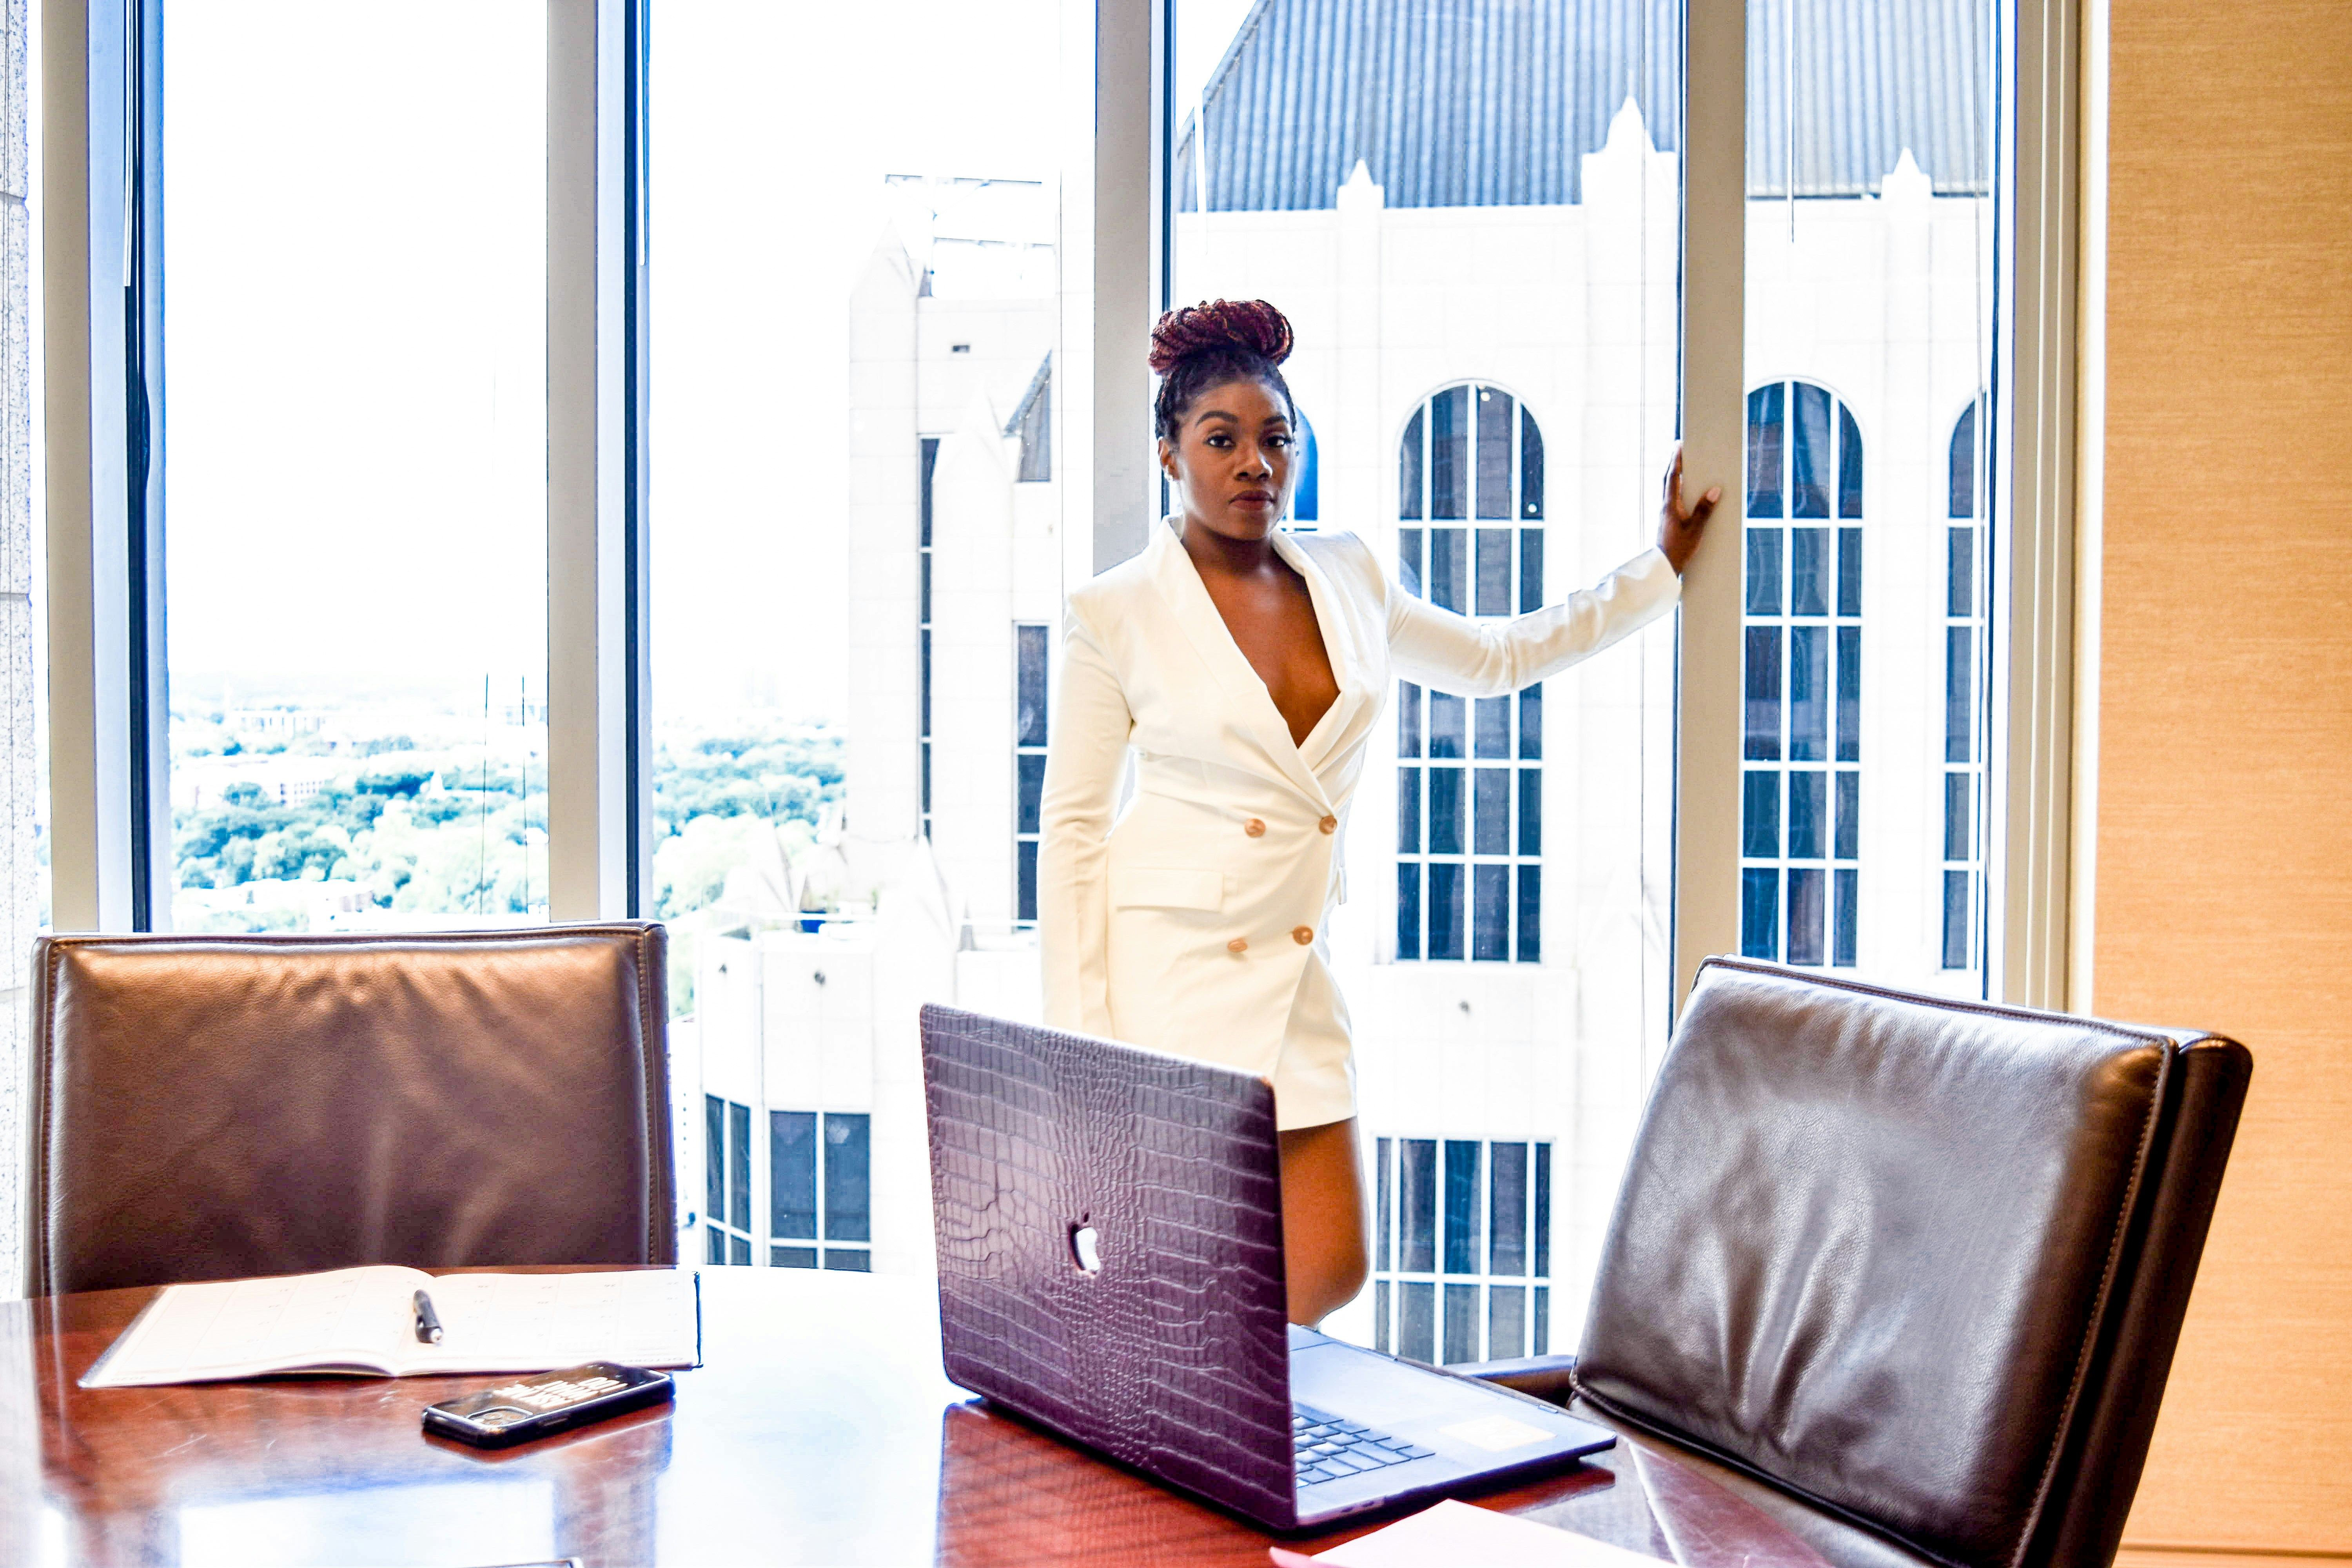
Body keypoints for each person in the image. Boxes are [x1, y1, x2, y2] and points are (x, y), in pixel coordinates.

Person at [1038, 299, 1718, 1325]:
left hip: (1295, 966)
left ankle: (1236, 1439)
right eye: (1221, 439)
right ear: (1171, 456)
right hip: (1168, 983)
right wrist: (1083, 1060)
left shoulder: (1349, 573)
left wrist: (1657, 572)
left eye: (1275, 438)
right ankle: (1212, 1464)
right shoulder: (1114, 613)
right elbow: (1075, 834)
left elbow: (1496, 660)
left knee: (1330, 1267)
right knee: (1177, 1290)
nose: (1254, 463)